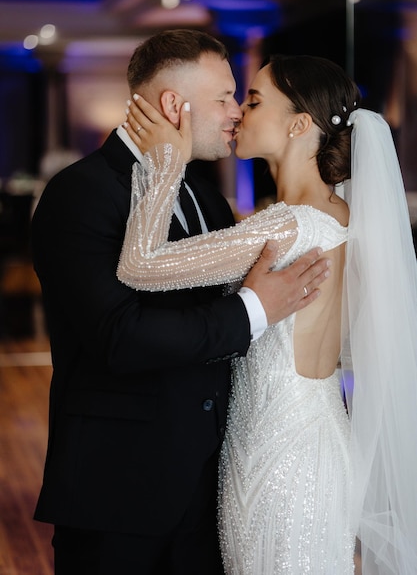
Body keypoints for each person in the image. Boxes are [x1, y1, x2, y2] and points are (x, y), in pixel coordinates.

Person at [31, 30, 330, 575]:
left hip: (215, 485)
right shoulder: (81, 193)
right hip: (120, 491)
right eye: (223, 97)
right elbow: (119, 336)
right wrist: (253, 309)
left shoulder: (205, 194)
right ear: (174, 104)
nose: (235, 111)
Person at [119, 53, 417, 573]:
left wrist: (166, 164)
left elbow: (140, 266)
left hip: (277, 456)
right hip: (317, 436)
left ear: (300, 124)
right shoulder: (339, 214)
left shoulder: (287, 226)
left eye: (253, 101)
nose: (238, 113)